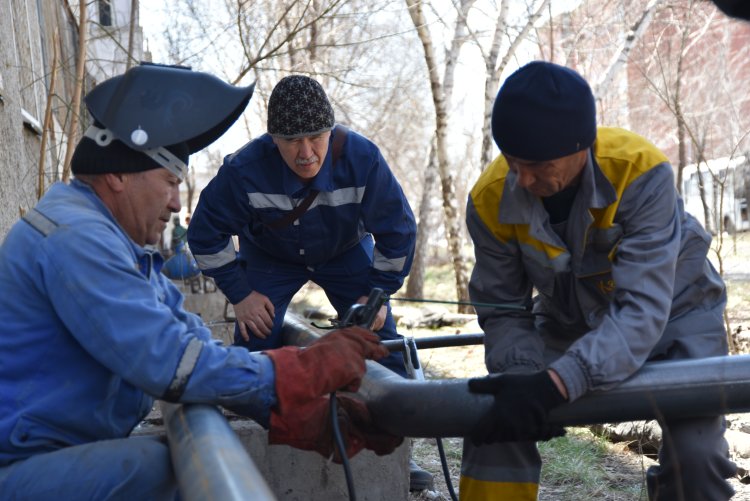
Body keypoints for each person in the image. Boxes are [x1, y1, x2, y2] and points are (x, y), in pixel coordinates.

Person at [0, 63, 399, 499]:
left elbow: (187, 339)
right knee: (179, 470)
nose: (175, 203)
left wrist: (284, 410)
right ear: (117, 176)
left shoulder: (112, 242)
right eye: (170, 182)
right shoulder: (78, 239)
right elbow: (169, 361)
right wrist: (293, 372)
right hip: (17, 463)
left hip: (45, 451)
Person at [462, 61, 736, 500]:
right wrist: (523, 382)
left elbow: (644, 309)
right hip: (570, 324)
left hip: (678, 315)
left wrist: (558, 382)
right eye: (512, 162)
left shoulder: (640, 171)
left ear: (582, 147)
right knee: (496, 426)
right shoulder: (489, 199)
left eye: (538, 165)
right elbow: (503, 312)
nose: (523, 180)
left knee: (697, 458)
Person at [186, 74, 433, 490]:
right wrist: (241, 294)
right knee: (254, 341)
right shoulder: (243, 170)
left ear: (331, 131)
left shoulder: (363, 159)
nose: (306, 153)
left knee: (380, 340)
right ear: (273, 140)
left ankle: (395, 454)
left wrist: (377, 294)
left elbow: (398, 233)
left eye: (316, 137)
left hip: (345, 253)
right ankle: (262, 447)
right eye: (291, 141)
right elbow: (204, 235)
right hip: (270, 257)